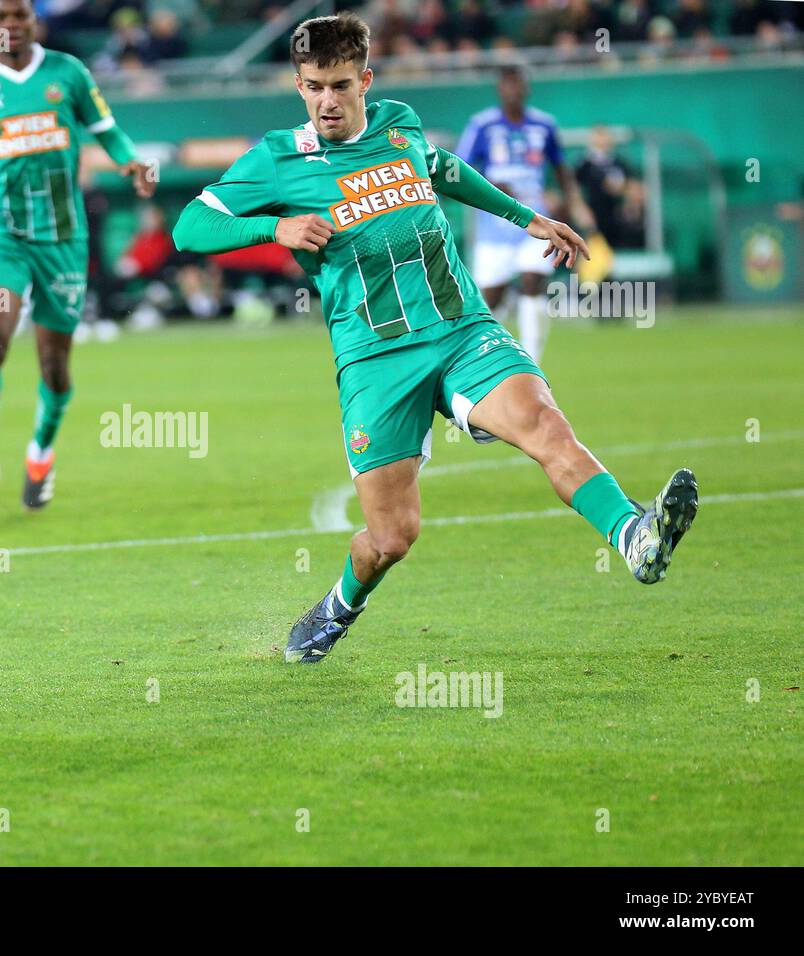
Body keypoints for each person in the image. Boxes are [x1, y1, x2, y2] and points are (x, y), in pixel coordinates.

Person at [172, 13, 698, 665]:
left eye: (339, 85)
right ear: (298, 85)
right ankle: (340, 605)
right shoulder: (278, 160)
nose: (326, 101)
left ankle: (634, 535)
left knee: (545, 425)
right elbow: (189, 227)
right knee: (393, 537)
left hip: (460, 328)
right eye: (313, 87)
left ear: (365, 79)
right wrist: (271, 231)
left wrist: (527, 216)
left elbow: (443, 169)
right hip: (374, 359)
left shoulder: (401, 125)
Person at [0, 0, 155, 514]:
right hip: (5, 240)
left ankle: (40, 453)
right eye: (0, 18)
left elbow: (107, 130)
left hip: (63, 240)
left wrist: (131, 162)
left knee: (54, 366)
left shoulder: (67, 73)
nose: (9, 26)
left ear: (35, 23)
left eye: (19, 17)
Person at [455, 64, 594, 363]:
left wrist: (570, 202)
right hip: (495, 223)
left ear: (527, 87)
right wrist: (492, 184)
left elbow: (561, 168)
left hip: (535, 220)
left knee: (533, 280)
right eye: (508, 84)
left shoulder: (543, 125)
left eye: (519, 83)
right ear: (499, 89)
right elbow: (458, 169)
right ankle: (486, 363)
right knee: (491, 300)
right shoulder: (482, 125)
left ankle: (532, 361)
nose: (514, 89)